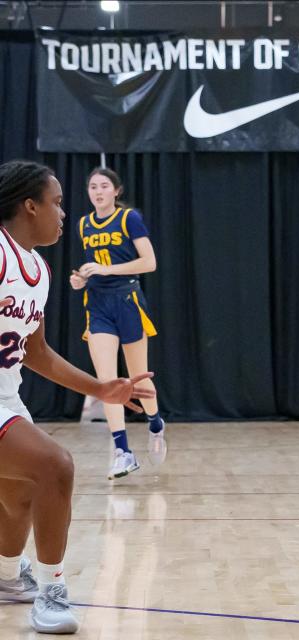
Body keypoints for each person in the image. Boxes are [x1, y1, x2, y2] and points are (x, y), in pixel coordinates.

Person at [0, 160, 154, 634]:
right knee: (56, 465)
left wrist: (99, 387)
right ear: (30, 206)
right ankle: (51, 592)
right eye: (58, 203)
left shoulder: (38, 269)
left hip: (8, 394)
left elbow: (36, 351)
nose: (65, 214)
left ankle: (7, 578)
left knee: (19, 495)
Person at [71, 167, 165, 480]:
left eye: (104, 186)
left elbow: (149, 263)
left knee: (138, 379)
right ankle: (123, 451)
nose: (98, 191)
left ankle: (155, 424)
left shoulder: (129, 219)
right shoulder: (83, 224)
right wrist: (80, 279)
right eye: (93, 186)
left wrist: (107, 270)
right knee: (108, 383)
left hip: (128, 301)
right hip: (97, 306)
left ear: (116, 191)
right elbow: (91, 269)